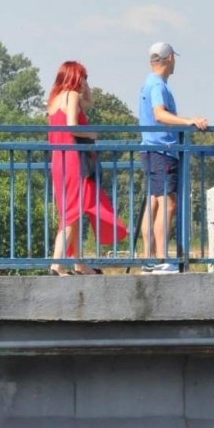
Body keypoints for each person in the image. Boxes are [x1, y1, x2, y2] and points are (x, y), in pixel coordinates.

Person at [47, 61, 128, 275]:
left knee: (71, 211)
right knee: (72, 212)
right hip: (74, 159)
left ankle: (79, 264)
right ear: (75, 77)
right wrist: (91, 134)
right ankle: (56, 265)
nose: (84, 82)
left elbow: (89, 102)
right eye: (82, 77)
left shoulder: (54, 99)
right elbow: (72, 126)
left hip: (58, 160)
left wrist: (85, 83)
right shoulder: (71, 96)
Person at [137, 41, 207, 273]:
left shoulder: (149, 82)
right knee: (168, 203)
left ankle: (150, 259)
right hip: (162, 149)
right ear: (169, 59)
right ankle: (161, 258)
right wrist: (188, 121)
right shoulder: (158, 85)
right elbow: (159, 114)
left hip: (151, 149)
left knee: (155, 202)